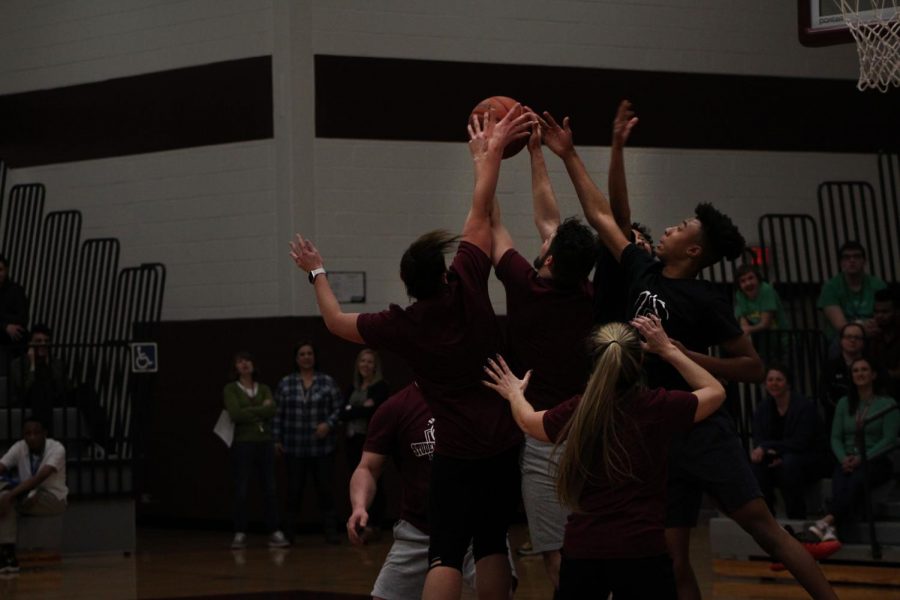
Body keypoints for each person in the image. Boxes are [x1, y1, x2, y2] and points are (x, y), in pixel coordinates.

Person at [535, 109, 836, 599]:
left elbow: (753, 367)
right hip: (657, 434)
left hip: (701, 426)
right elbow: (605, 217)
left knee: (765, 532)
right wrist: (571, 154)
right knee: (671, 558)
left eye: (681, 227)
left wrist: (678, 351)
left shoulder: (708, 299)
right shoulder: (642, 271)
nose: (671, 229)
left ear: (694, 252)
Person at [289, 105, 533, 600]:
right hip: (503, 442)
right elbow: (480, 213)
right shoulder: (467, 281)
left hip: (457, 449)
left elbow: (336, 323)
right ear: (443, 273)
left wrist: (316, 271)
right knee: (490, 543)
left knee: (444, 550)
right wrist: (486, 156)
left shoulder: (402, 325)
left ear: (407, 286)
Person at [483, 315, 724, 599]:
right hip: (643, 549)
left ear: (593, 364)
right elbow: (716, 391)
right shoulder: (657, 406)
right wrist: (668, 350)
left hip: (585, 550)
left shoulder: (579, 409)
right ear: (638, 363)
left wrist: (514, 394)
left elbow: (527, 422)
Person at [488, 120, 595, 590]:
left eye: (547, 245)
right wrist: (536, 154)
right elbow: (550, 223)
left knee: (557, 558)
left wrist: (487, 159)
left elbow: (492, 224)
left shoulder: (522, 285)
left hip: (545, 438)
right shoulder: (589, 294)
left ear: (549, 260)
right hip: (592, 431)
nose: (543, 237)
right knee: (597, 550)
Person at [810, 357, 899, 542]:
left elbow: (889, 439)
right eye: (856, 371)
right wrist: (844, 458)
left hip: (877, 459)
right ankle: (836, 532)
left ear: (873, 375)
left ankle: (827, 521)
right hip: (848, 459)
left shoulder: (888, 404)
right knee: (840, 480)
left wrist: (863, 458)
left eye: (864, 370)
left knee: (856, 479)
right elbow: (835, 437)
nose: (860, 374)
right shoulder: (844, 403)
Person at [273, 341, 343, 544]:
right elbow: (278, 414)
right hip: (294, 447)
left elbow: (340, 409)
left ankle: (331, 532)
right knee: (293, 491)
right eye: (302, 354)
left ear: (315, 357)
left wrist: (328, 424)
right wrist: (276, 438)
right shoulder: (286, 383)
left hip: (322, 448)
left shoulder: (327, 382)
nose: (306, 357)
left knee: (325, 490)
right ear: (296, 359)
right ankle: (288, 534)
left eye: (309, 353)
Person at [593, 100, 655, 325]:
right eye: (632, 238)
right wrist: (617, 148)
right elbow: (620, 217)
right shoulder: (615, 265)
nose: (638, 242)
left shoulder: (657, 279)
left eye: (643, 240)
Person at [223, 351, 288, 550]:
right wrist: (260, 410)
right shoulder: (231, 389)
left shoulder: (265, 388)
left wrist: (249, 412)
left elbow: (272, 410)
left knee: (270, 488)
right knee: (241, 488)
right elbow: (235, 413)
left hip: (265, 442)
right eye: (240, 361)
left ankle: (274, 531)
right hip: (243, 443)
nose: (244, 364)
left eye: (247, 360)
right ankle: (240, 532)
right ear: (235, 368)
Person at [750, 364, 830, 519]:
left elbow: (802, 442)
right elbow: (759, 438)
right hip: (778, 457)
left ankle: (796, 516)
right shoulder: (763, 408)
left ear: (788, 383)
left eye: (779, 380)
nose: (774, 383)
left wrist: (770, 449)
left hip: (808, 457)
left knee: (789, 464)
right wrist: (768, 452)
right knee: (757, 466)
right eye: (770, 380)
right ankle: (766, 518)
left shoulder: (803, 406)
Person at [0, 416, 67, 574]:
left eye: (36, 433)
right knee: (4, 493)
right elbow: (2, 465)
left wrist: (9, 496)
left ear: (45, 433)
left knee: (8, 497)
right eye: (28, 433)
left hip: (52, 499)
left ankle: (7, 554)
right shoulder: (20, 447)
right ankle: (8, 558)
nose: (32, 437)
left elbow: (38, 478)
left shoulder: (57, 449)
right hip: (25, 495)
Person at [342, 348, 389, 539]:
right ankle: (359, 520)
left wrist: (353, 409)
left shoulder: (381, 387)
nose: (366, 365)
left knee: (374, 479)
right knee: (357, 480)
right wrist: (360, 408)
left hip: (371, 441)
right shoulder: (353, 388)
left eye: (370, 362)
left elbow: (374, 412)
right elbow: (342, 413)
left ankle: (375, 524)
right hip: (353, 440)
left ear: (375, 366)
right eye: (363, 361)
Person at [817, 241, 887, 343]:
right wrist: (862, 330)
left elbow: (886, 315)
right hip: (842, 337)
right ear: (841, 263)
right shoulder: (830, 287)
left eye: (857, 256)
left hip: (874, 333)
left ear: (864, 261)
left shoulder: (878, 285)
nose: (852, 260)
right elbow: (840, 325)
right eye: (846, 257)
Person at [9, 325, 66, 429]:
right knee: (39, 388)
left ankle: (101, 439)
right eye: (38, 341)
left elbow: (60, 389)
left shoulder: (56, 363)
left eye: (46, 341)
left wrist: (49, 365)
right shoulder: (17, 364)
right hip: (27, 400)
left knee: (86, 389)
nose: (43, 344)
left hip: (52, 398)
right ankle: (45, 434)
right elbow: (23, 390)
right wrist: (33, 365)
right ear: (30, 344)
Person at [734, 264, 790, 361]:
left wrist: (748, 330)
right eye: (742, 281)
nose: (748, 283)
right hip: (761, 348)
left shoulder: (766, 289)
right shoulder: (740, 295)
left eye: (750, 278)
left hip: (781, 344)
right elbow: (743, 323)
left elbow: (765, 323)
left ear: (758, 279)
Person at [820, 322, 868, 427]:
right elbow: (825, 396)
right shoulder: (829, 367)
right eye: (848, 337)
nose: (852, 340)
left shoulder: (872, 365)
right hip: (838, 418)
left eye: (857, 337)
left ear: (863, 342)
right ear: (841, 341)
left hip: (868, 416)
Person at [0, 255, 28, 376]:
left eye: (0, 270)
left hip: (13, 346)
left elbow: (22, 319)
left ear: (6, 270)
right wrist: (5, 326)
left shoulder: (16, 290)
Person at [869, 288, 900, 399]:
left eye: (885, 312)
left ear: (897, 312)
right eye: (876, 312)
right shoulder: (873, 337)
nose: (879, 316)